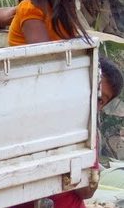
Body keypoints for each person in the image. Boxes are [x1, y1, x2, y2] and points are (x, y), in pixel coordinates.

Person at [10, 56, 123, 208]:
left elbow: (87, 192)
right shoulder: (28, 119)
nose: (92, 99)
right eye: (91, 89)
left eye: (100, 99)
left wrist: (81, 174)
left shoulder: (87, 134)